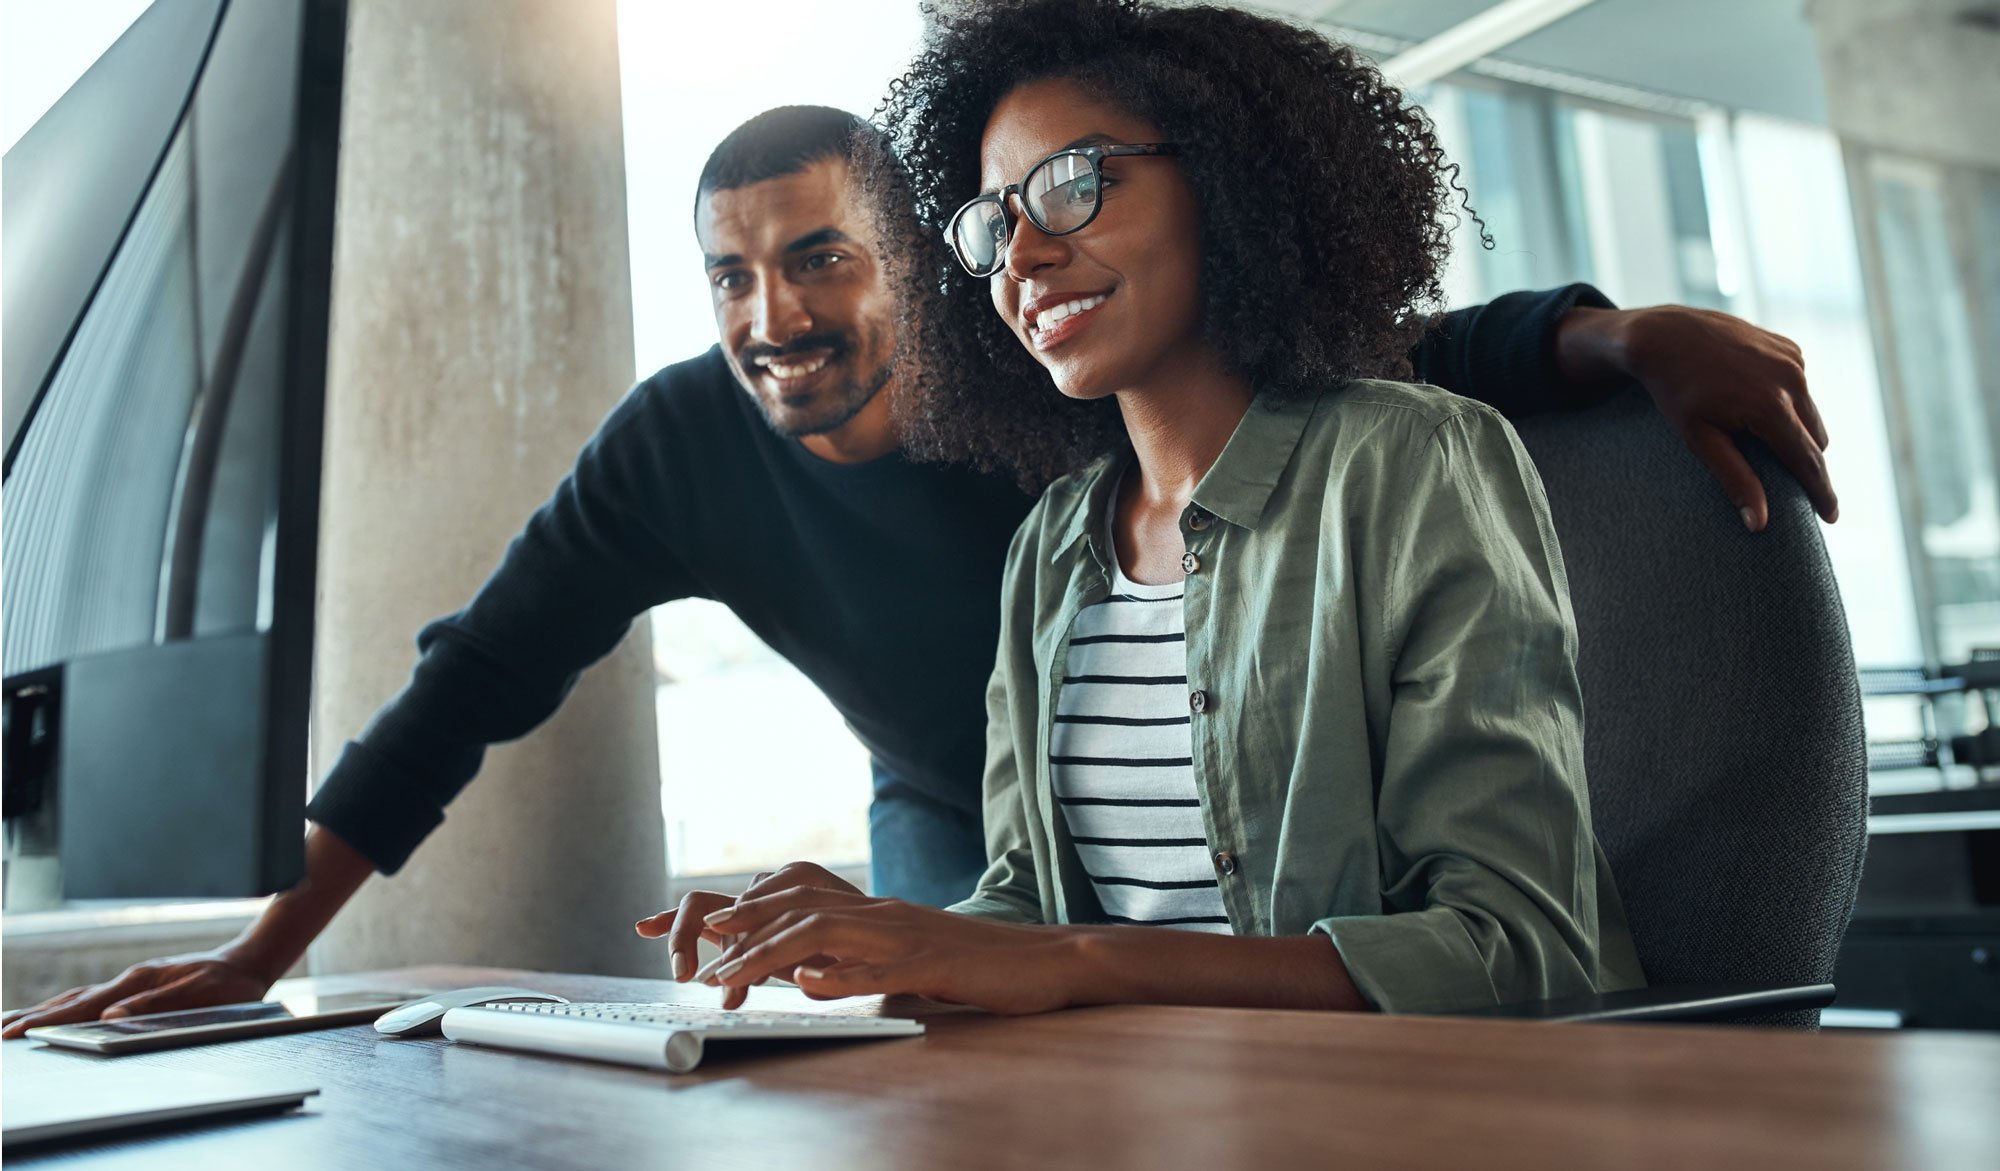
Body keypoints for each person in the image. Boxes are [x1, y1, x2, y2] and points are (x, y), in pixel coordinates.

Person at [7, 80, 1821, 1032]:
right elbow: (470, 679)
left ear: (914, 262)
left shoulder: (1044, 380)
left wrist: (1612, 333)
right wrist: (265, 952)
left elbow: (1368, 356)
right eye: (729, 270)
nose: (770, 313)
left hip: (1252, 815)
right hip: (979, 825)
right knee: (913, 1039)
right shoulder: (685, 447)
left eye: (819, 258)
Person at [647, 0, 1653, 1015]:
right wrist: (875, 940)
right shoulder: (1051, 545)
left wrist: (1093, 961)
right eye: (995, 224)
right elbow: (1031, 909)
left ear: (1223, 177)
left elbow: (1520, 951)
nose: (1023, 256)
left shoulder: (1411, 461)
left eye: (1074, 184)